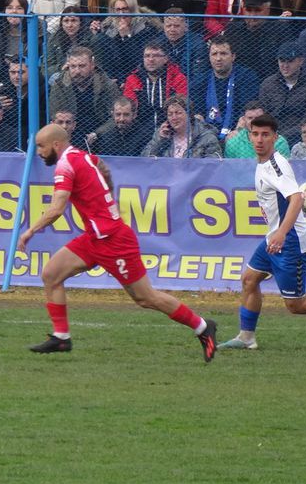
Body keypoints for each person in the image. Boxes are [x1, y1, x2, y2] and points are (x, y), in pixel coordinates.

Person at [16, 123, 217, 360]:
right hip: (95, 237)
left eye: (41, 146)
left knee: (146, 298)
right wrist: (107, 199)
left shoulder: (64, 165)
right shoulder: (82, 156)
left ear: (56, 145)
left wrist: (30, 231)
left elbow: (57, 208)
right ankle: (61, 338)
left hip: (113, 240)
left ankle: (203, 327)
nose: (38, 151)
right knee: (51, 274)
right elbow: (103, 168)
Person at [219, 114, 306, 351]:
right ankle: (246, 337)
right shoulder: (263, 163)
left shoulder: (276, 166)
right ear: (249, 136)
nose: (260, 140)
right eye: (255, 134)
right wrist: (275, 234)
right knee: (249, 280)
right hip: (276, 237)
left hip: (291, 242)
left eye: (265, 135)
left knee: (296, 305)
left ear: (275, 138)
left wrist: (281, 233)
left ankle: (247, 337)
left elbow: (296, 198)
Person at [190, 36, 261, 140]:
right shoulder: (200, 81)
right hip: (207, 134)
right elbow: (197, 112)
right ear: (209, 57)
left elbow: (248, 110)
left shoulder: (247, 77)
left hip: (237, 132)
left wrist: (238, 131)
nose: (218, 58)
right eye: (214, 54)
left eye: (223, 53)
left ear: (233, 56)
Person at [48, 45, 119, 138]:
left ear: (92, 65)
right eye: (73, 66)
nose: (77, 71)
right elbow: (55, 116)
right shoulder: (59, 85)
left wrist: (97, 133)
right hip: (70, 133)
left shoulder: (107, 85)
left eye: (82, 66)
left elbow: (115, 118)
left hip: (100, 134)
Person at [258, 41, 306, 142]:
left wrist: (283, 136)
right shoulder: (268, 84)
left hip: (301, 137)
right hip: (271, 136)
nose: (285, 65)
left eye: (290, 61)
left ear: (301, 61)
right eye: (282, 61)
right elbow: (264, 114)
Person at [122, 41, 188, 130]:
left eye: (156, 56)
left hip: (170, 127)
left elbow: (181, 106)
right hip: (139, 128)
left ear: (166, 59)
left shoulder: (178, 78)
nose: (151, 59)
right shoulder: (132, 79)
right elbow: (129, 108)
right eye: (147, 56)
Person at [140, 96, 223, 158]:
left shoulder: (206, 136)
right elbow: (144, 159)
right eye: (170, 114)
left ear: (189, 114)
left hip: (195, 179)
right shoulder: (162, 134)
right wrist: (159, 140)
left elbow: (214, 164)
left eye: (178, 113)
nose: (174, 117)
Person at [86, 96, 153, 157]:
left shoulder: (144, 136)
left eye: (126, 115)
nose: (121, 119)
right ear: (112, 114)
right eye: (118, 114)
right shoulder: (104, 136)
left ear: (134, 115)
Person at [224, 101, 293, 158]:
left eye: (258, 117)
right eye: (250, 118)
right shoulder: (233, 143)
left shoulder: (279, 142)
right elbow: (229, 170)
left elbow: (284, 169)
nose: (254, 122)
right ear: (244, 119)